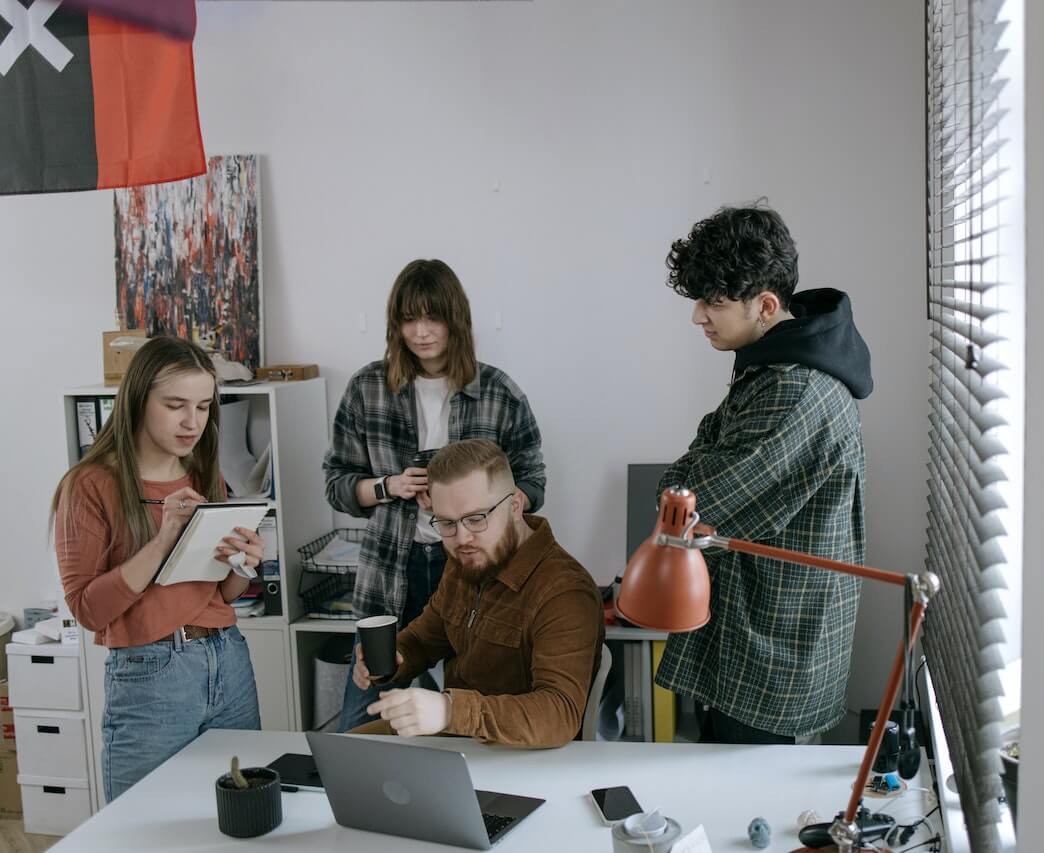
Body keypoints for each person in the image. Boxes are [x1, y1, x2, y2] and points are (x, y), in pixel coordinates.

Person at [654, 201, 874, 744]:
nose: (697, 316)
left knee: (747, 814)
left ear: (766, 304)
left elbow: (693, 499)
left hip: (774, 652)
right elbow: (704, 446)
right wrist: (695, 464)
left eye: (714, 302)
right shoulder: (772, 366)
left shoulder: (793, 389)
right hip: (758, 637)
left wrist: (682, 482)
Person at [324, 259, 547, 731]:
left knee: (476, 715)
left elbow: (533, 484)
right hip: (391, 570)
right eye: (409, 319)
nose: (421, 332)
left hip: (473, 568)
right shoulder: (368, 388)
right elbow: (338, 486)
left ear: (455, 321)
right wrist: (390, 487)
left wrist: (476, 504)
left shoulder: (498, 391)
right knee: (362, 727)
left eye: (433, 318)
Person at [52, 336, 265, 801]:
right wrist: (164, 538)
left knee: (243, 815)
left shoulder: (204, 472)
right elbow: (88, 609)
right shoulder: (89, 485)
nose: (193, 422)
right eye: (175, 405)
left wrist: (244, 565)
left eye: (205, 407)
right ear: (138, 399)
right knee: (143, 825)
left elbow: (220, 595)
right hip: (150, 673)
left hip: (227, 658)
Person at [349, 439, 602, 748]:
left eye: (476, 518)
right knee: (337, 756)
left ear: (515, 507)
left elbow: (558, 714)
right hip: (460, 741)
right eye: (447, 523)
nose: (462, 538)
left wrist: (449, 710)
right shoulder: (467, 560)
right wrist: (395, 655)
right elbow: (426, 638)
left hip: (520, 755)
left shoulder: (564, 591)